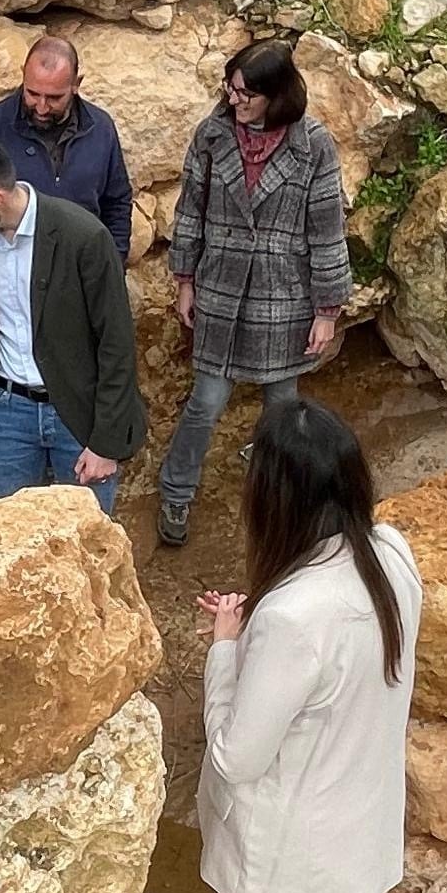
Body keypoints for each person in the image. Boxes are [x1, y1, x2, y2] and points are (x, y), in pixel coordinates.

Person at [195, 397, 421, 893]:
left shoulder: (292, 615)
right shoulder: (389, 555)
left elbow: (234, 754)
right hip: (348, 828)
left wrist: (227, 646)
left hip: (284, 853)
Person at [156, 40, 352, 551]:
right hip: (219, 288)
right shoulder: (213, 135)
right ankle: (176, 490)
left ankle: (281, 496)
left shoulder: (313, 146)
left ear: (276, 94)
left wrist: (327, 310)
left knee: (282, 405)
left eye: (247, 93)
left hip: (283, 296)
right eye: (231, 88)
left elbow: (327, 228)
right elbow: (190, 210)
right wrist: (184, 280)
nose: (235, 100)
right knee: (206, 400)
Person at [0, 127, 146, 515]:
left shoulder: (83, 238)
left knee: (84, 544)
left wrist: (106, 444)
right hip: (3, 415)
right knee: (6, 539)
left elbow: (116, 343)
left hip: (78, 417)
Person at [0, 35, 134, 336]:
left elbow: (117, 201)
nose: (41, 107)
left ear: (76, 84)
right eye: (32, 93)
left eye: (54, 98)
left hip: (81, 282)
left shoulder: (101, 128)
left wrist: (112, 267)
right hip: (8, 291)